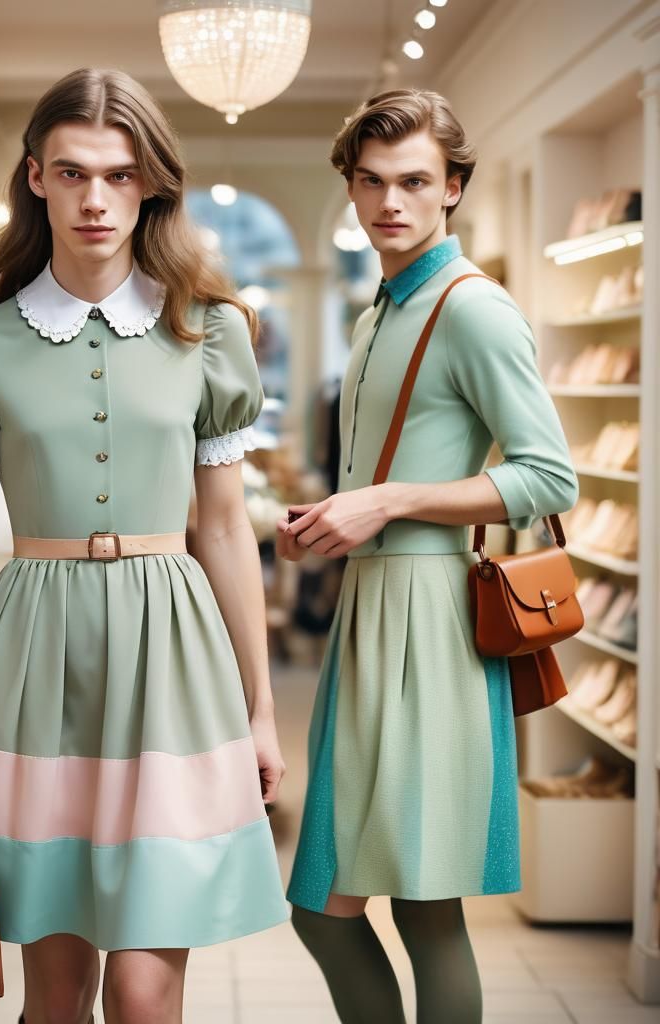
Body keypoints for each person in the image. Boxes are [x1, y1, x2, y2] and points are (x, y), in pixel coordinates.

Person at [0, 68, 289, 1024]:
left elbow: (228, 530)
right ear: (35, 177)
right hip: (32, 661)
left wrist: (264, 710)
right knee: (59, 992)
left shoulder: (211, 332)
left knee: (148, 996)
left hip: (174, 662)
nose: (96, 199)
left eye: (118, 175)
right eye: (72, 173)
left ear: (151, 182)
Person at [280, 89, 578, 1023]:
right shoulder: (376, 317)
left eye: (414, 182)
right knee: (324, 910)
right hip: (372, 616)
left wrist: (392, 500)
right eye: (370, 183)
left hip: (434, 627)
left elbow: (550, 478)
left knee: (425, 906)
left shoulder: (473, 309)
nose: (389, 203)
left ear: (452, 187)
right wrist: (338, 514)